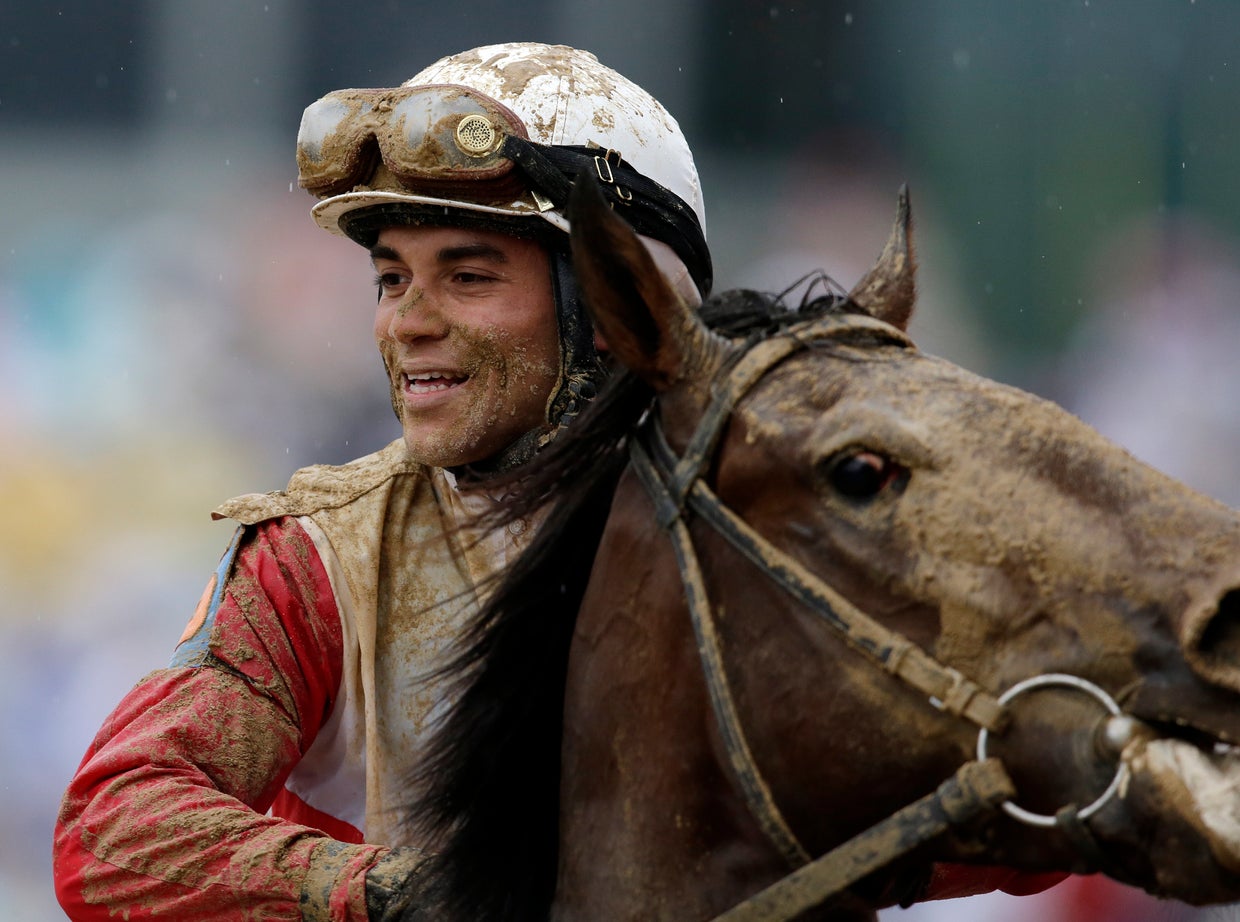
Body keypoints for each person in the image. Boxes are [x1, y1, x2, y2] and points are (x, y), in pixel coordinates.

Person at [52, 41, 711, 922]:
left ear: (622, 306)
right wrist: (386, 892)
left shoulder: (780, 513)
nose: (406, 322)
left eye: (467, 277)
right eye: (391, 278)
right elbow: (109, 831)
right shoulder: (318, 557)